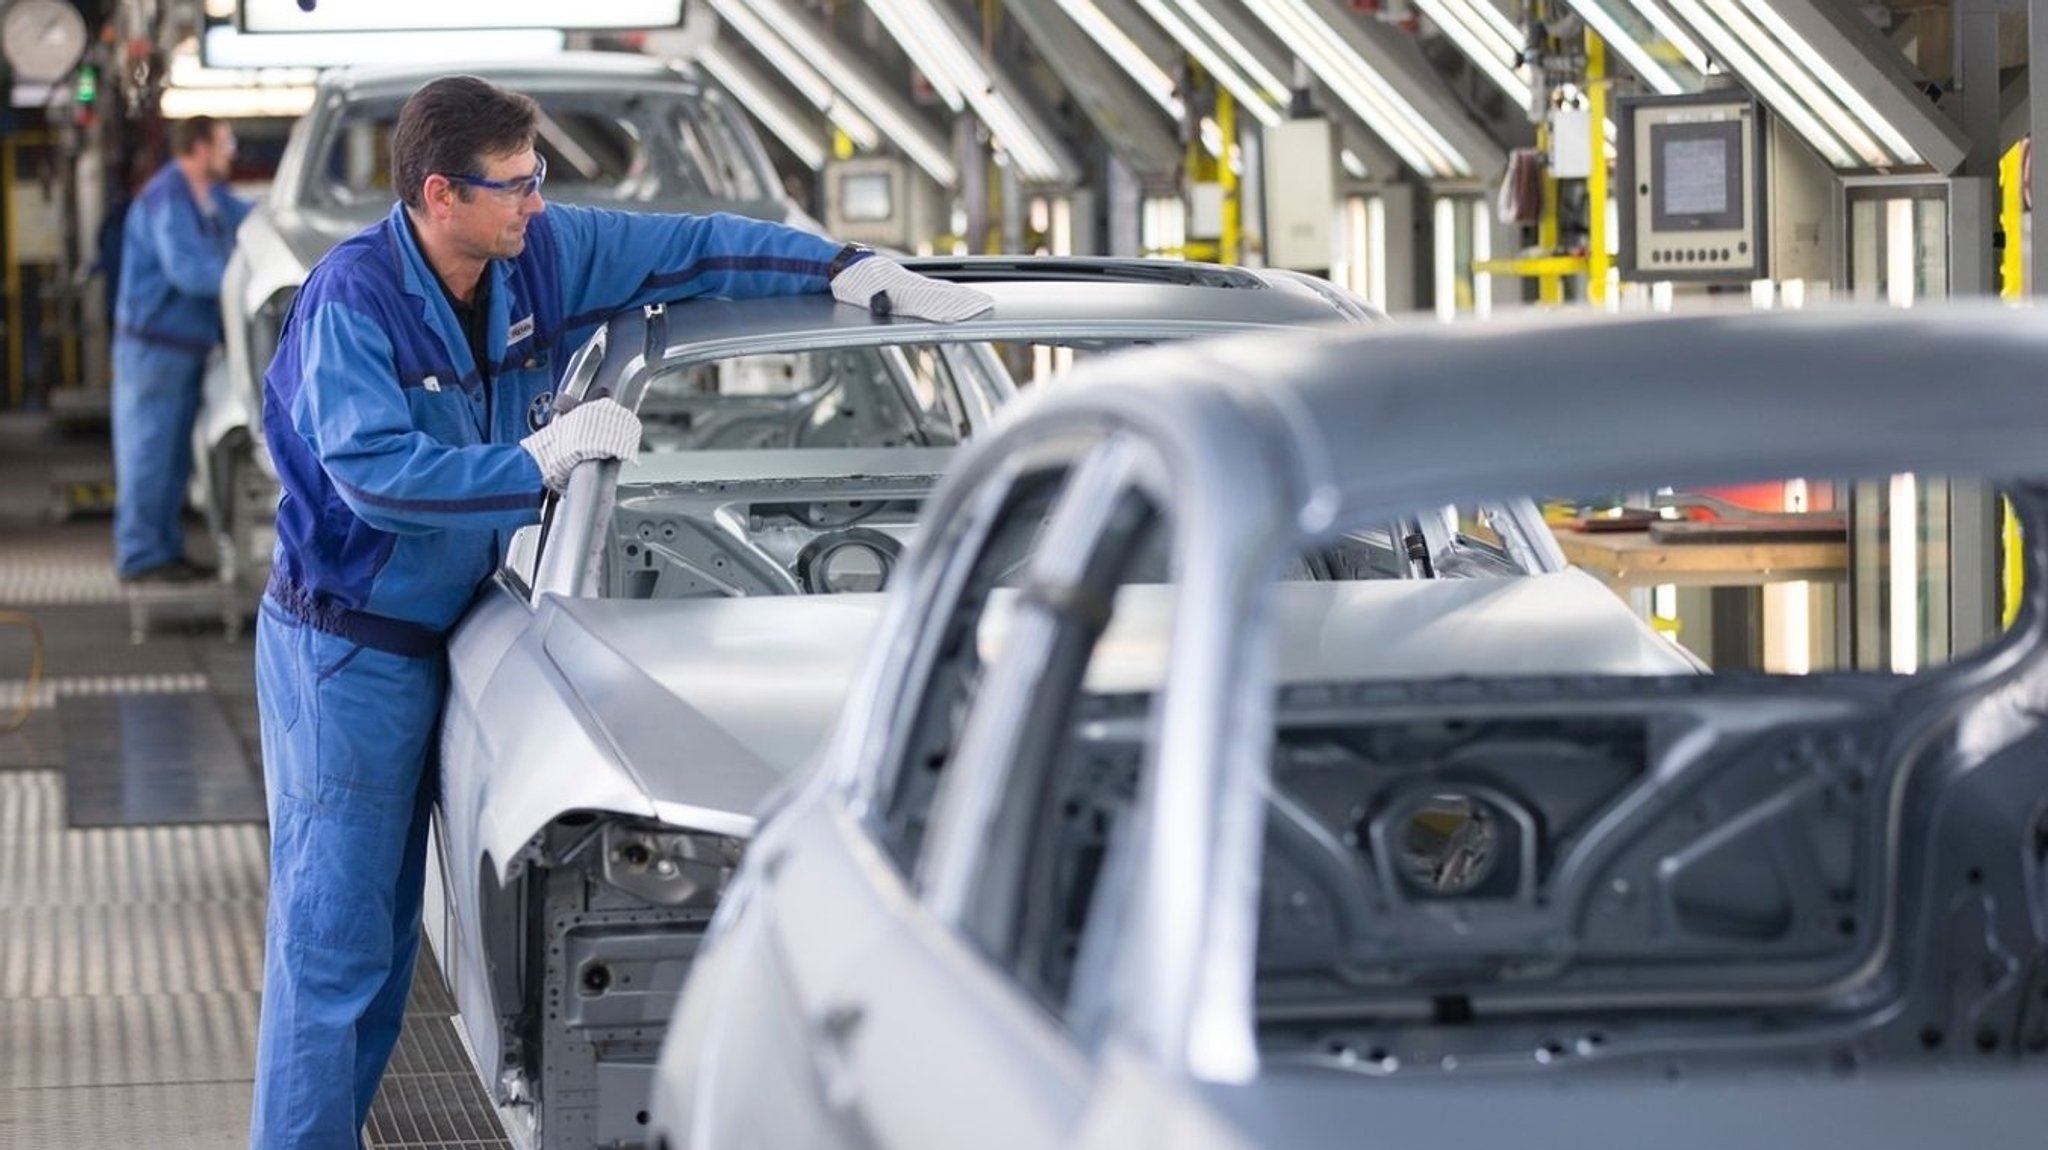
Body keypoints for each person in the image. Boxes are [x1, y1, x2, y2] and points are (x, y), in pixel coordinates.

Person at [248, 74, 991, 1149]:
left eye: (539, 177)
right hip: (346, 650)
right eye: (514, 186)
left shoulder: (535, 256)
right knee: (336, 957)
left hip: (443, 627)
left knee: (379, 953)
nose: (537, 203)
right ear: (437, 195)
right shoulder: (351, 301)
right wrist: (532, 462)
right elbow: (374, 475)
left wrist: (843, 266)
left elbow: (690, 248)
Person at [111, 116, 250, 582]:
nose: (232, 150)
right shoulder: (168, 197)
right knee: (149, 452)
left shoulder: (208, 199)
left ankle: (163, 550)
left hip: (185, 348)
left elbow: (251, 219)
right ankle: (141, 555)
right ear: (198, 147)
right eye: (224, 142)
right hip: (154, 351)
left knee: (173, 457)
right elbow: (189, 271)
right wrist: (244, 283)